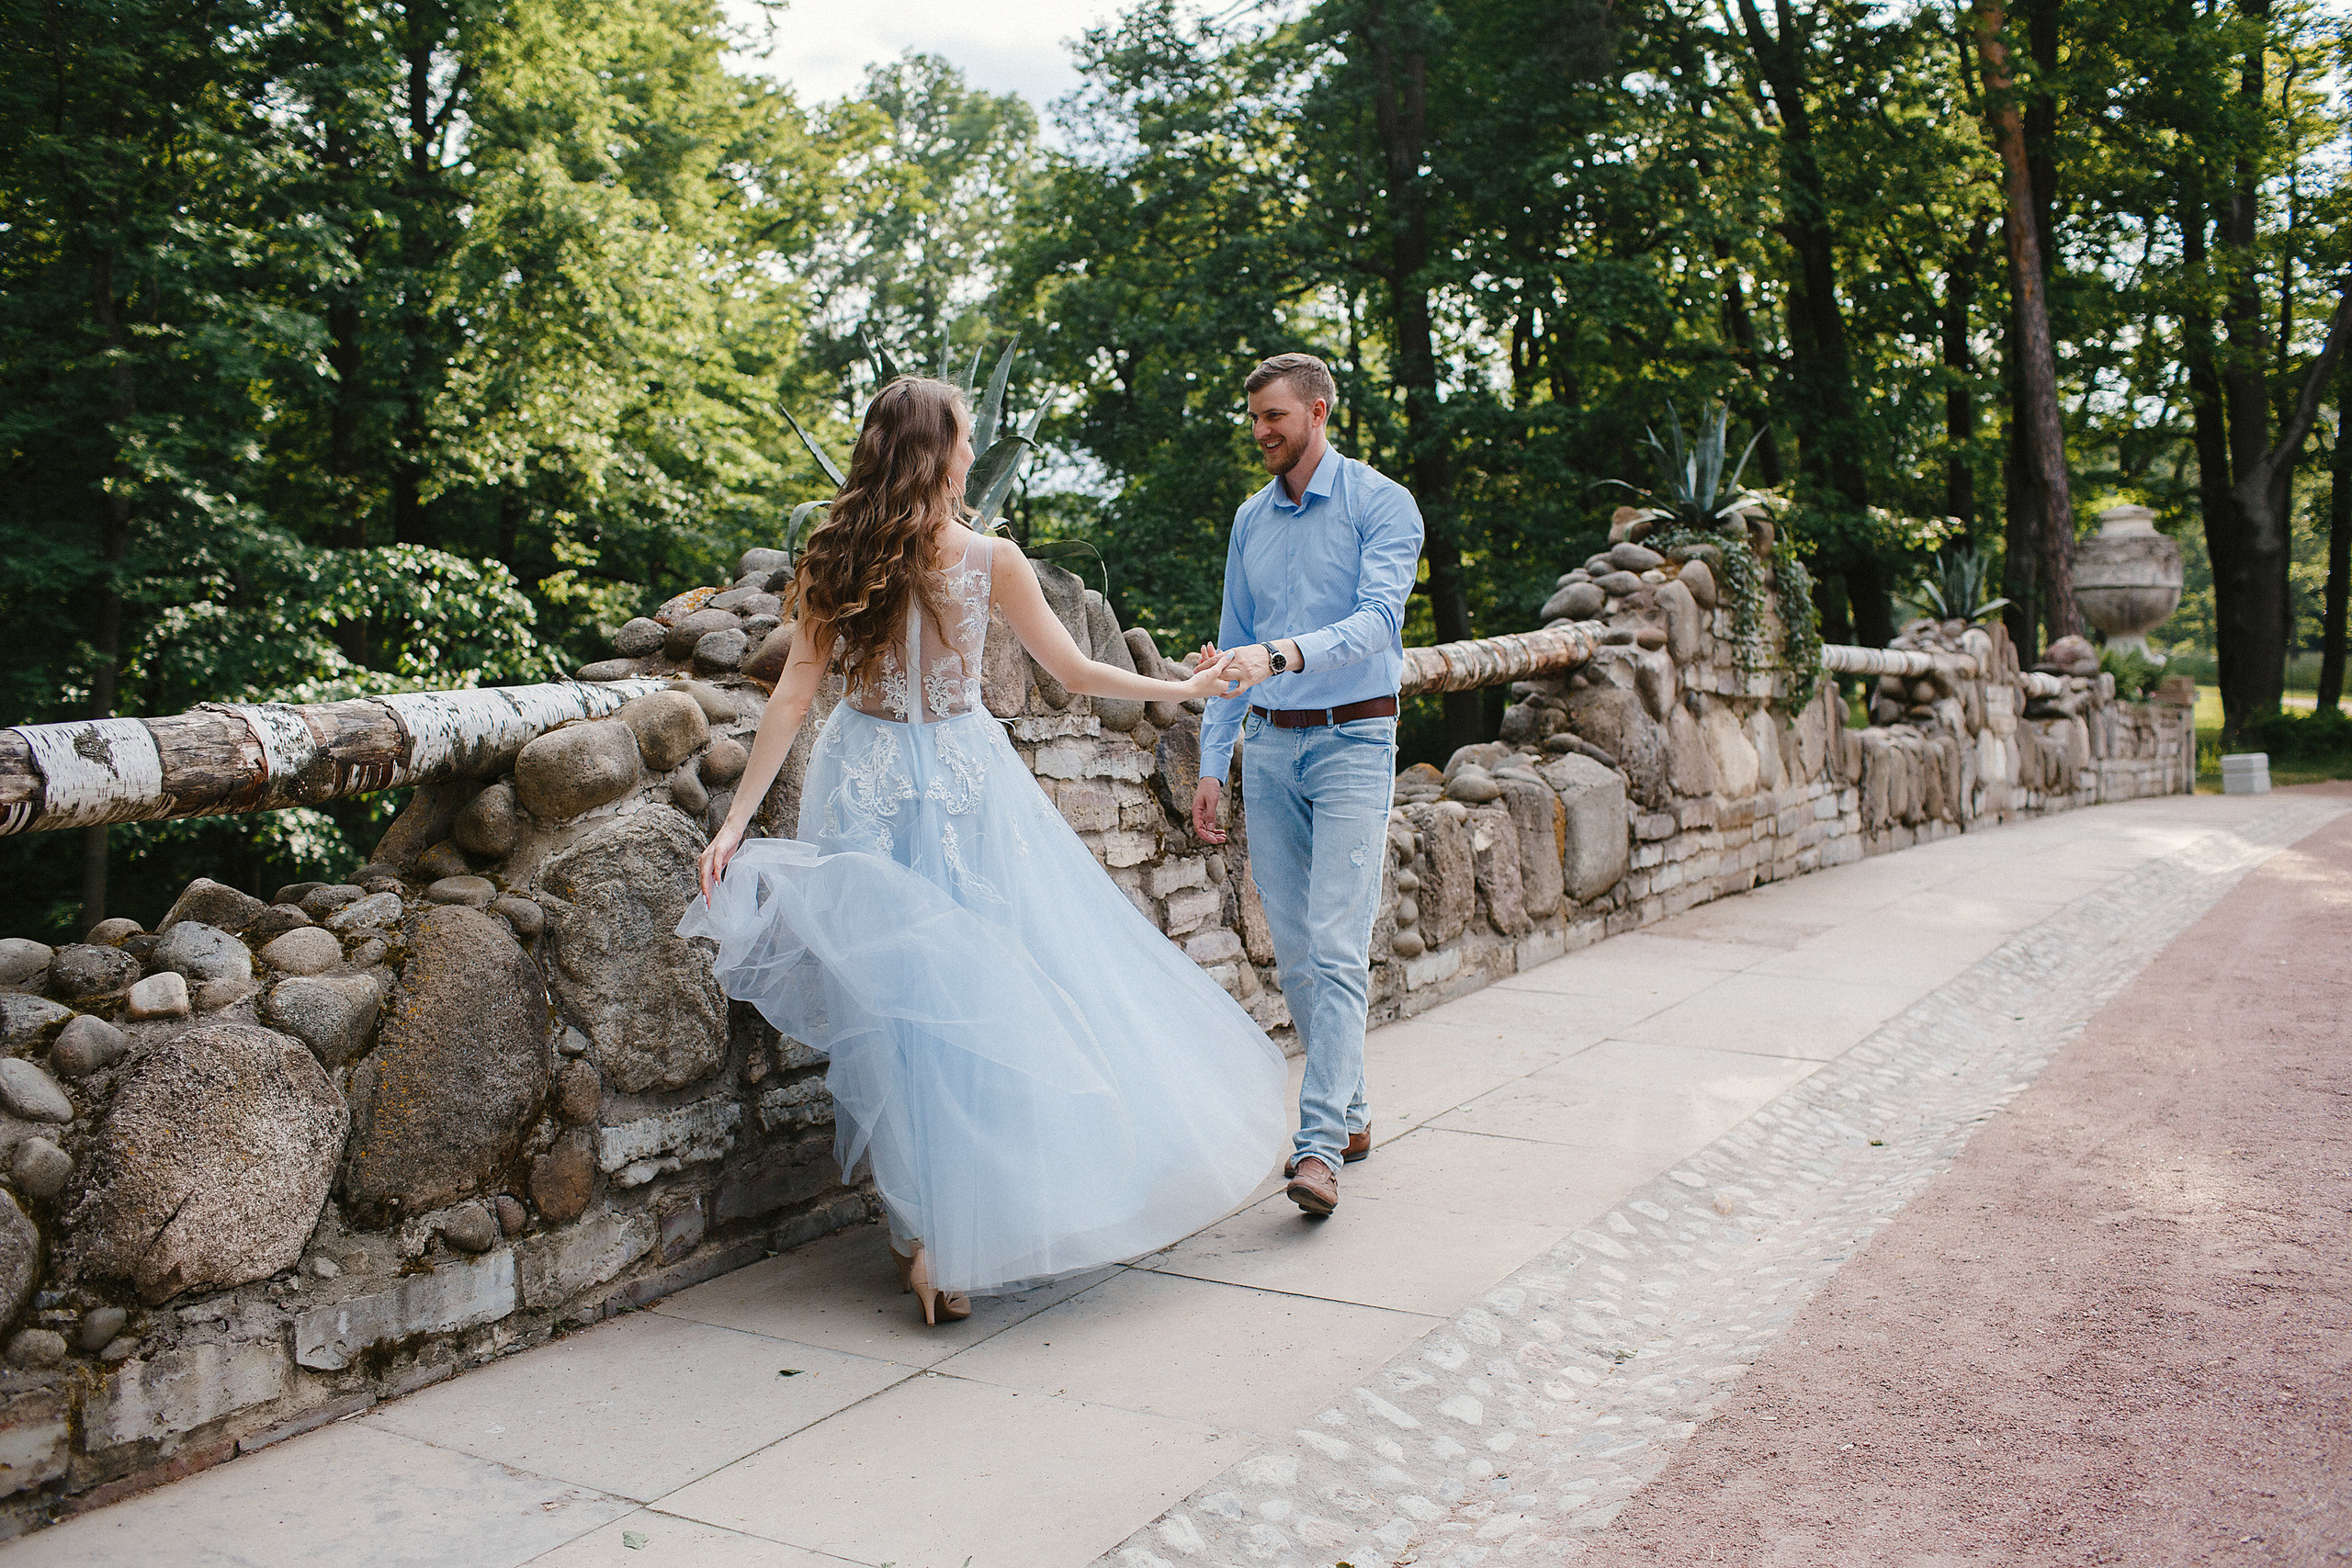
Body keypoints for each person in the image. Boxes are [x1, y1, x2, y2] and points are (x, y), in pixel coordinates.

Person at [681, 376, 1286, 1325]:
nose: (972, 450)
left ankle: (927, 1240)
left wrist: (734, 824)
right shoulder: (990, 557)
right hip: (963, 784)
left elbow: (794, 693)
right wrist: (1193, 686)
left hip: (866, 781)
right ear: (939, 451)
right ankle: (952, 1240)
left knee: (891, 1008)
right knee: (978, 997)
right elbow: (1076, 671)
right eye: (963, 436)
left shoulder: (838, 550)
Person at [1190, 353, 1424, 1218]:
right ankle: (1353, 1112)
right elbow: (1230, 644)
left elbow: (1378, 622)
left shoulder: (1382, 504)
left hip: (1357, 740)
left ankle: (1318, 1145)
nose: (1261, 432)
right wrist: (1215, 762)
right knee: (1295, 954)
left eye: (1275, 418)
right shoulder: (1250, 520)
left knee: (1335, 943)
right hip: (1272, 750)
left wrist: (1282, 654)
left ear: (1319, 411)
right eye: (1253, 419)